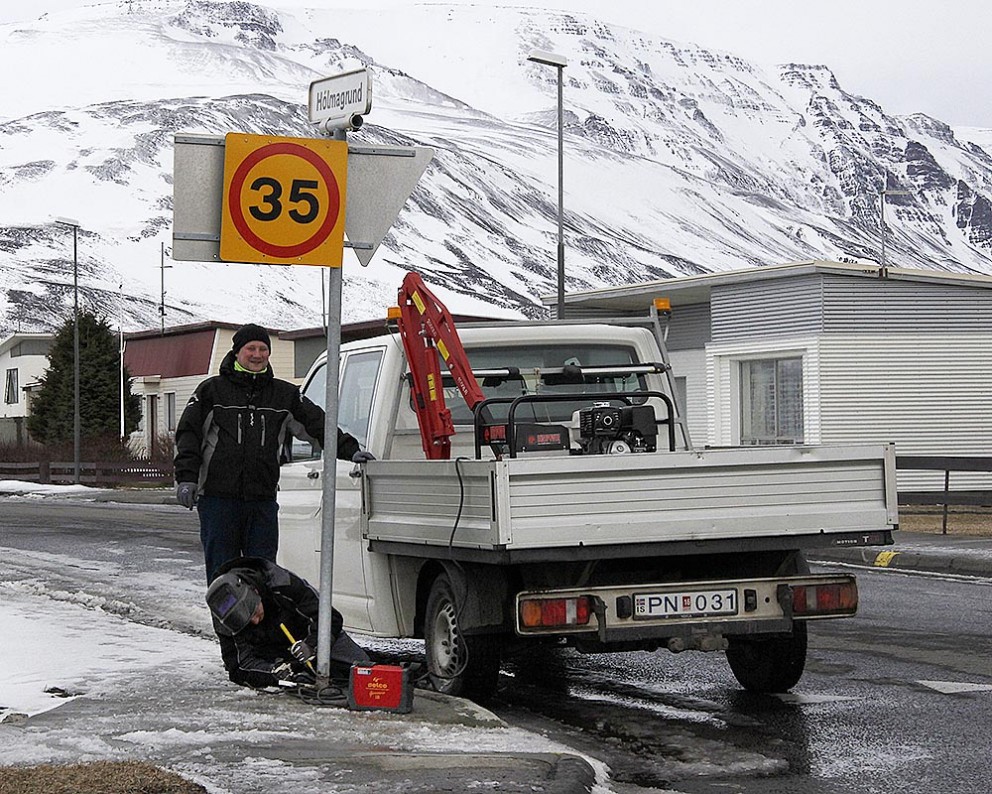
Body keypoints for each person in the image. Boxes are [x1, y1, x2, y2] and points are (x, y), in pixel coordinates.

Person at [174, 323, 372, 582]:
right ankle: (226, 623)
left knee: (263, 574)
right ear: (237, 352)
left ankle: (261, 623)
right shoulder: (211, 391)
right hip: (218, 501)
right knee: (223, 575)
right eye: (250, 348)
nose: (257, 355)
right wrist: (186, 479)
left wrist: (350, 449)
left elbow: (317, 425)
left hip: (261, 501)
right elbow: (189, 434)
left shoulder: (284, 395)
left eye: (263, 349)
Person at [205, 556, 370, 688]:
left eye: (255, 612)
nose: (255, 621)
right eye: (247, 622)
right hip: (269, 655)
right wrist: (273, 673)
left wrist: (312, 645)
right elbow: (238, 668)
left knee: (365, 670)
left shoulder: (281, 582)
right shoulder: (223, 616)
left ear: (255, 592)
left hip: (308, 636)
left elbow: (330, 617)